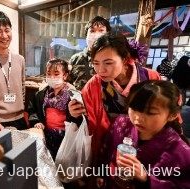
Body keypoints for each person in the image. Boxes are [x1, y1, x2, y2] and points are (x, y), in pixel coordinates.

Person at [68, 32, 161, 188]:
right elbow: (88, 124)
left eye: (108, 63)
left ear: (124, 58)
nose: (100, 70)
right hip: (108, 153)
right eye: (96, 63)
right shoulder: (93, 86)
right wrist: (75, 115)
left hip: (146, 150)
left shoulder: (151, 78)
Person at [96, 80, 190, 189]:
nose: (138, 118)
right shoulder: (121, 123)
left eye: (150, 113)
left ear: (172, 115)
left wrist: (145, 178)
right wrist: (101, 173)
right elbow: (105, 149)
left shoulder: (180, 152)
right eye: (134, 108)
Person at [27, 58, 74, 160]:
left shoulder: (73, 95)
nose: (52, 77)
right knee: (48, 161)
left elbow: (78, 118)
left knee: (63, 163)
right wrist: (36, 121)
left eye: (56, 74)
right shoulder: (40, 94)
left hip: (65, 137)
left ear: (65, 76)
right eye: (49, 74)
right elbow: (32, 109)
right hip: (46, 134)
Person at [68, 16, 111, 90]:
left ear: (107, 34)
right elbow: (67, 85)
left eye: (101, 30)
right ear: (86, 35)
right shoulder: (75, 59)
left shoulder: (112, 59)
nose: (96, 34)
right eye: (92, 31)